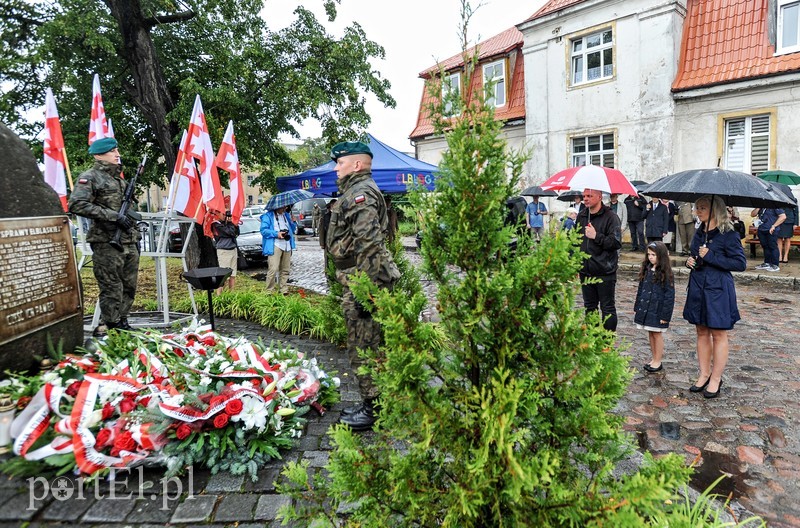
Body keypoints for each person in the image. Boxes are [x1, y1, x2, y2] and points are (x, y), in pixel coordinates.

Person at [326, 141, 401, 431]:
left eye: (340, 163)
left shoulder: (360, 195)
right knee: (368, 344)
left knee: (365, 346)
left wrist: (366, 293)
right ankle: (373, 401)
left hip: (364, 280)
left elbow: (369, 244)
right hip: (359, 278)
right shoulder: (357, 191)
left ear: (357, 165)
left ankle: (374, 409)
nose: (336, 168)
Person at [68, 137, 141, 337]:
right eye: (112, 151)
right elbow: (76, 204)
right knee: (111, 286)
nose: (117, 154)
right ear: (99, 155)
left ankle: (122, 322)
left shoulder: (120, 180)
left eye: (117, 150)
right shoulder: (90, 177)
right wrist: (113, 216)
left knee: (129, 285)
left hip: (128, 240)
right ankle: (111, 325)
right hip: (106, 242)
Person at [684, 195, 747, 399]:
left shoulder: (729, 234)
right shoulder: (699, 232)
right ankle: (703, 374)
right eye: (697, 207)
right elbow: (696, 256)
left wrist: (710, 256)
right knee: (701, 331)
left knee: (718, 333)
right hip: (698, 287)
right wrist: (691, 261)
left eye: (702, 208)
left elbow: (739, 263)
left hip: (718, 289)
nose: (698, 211)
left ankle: (716, 379)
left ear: (715, 210)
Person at [576, 188, 622, 331]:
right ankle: (592, 341)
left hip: (604, 271)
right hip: (586, 271)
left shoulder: (611, 217)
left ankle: (607, 344)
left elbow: (615, 242)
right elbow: (576, 241)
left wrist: (596, 236)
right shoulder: (582, 215)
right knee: (590, 308)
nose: (585, 199)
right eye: (584, 196)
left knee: (607, 308)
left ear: (600, 197)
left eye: (589, 196)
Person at [634, 241, 675, 373]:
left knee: (657, 334)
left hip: (657, 311)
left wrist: (665, 316)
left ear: (661, 256)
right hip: (647, 309)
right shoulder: (646, 270)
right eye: (649, 254)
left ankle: (658, 360)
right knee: (650, 333)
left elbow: (669, 297)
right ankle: (653, 358)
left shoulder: (666, 274)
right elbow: (641, 289)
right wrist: (637, 306)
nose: (651, 257)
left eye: (654, 255)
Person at [261, 204, 296, 293]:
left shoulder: (286, 215)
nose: (285, 208)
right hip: (275, 244)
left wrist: (293, 222)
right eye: (283, 207)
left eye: (286, 207)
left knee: (285, 269)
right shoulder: (267, 216)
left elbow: (293, 229)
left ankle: (283, 289)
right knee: (273, 269)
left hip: (287, 245)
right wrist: (277, 234)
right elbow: (263, 231)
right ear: (276, 206)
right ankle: (269, 291)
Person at [750, 206, 786, 272]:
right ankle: (767, 263)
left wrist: (774, 226)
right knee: (765, 246)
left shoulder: (775, 206)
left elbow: (783, 217)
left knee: (772, 246)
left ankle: (775, 265)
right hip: (762, 229)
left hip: (771, 230)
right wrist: (758, 208)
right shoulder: (762, 207)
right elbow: (752, 214)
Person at [212, 210, 239, 294]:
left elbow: (237, 233)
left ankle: (232, 294)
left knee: (233, 274)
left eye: (225, 214)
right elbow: (229, 232)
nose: (224, 216)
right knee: (223, 276)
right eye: (223, 214)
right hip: (224, 251)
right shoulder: (216, 224)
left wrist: (235, 224)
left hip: (232, 250)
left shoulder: (228, 223)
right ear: (217, 214)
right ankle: (219, 295)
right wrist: (230, 224)